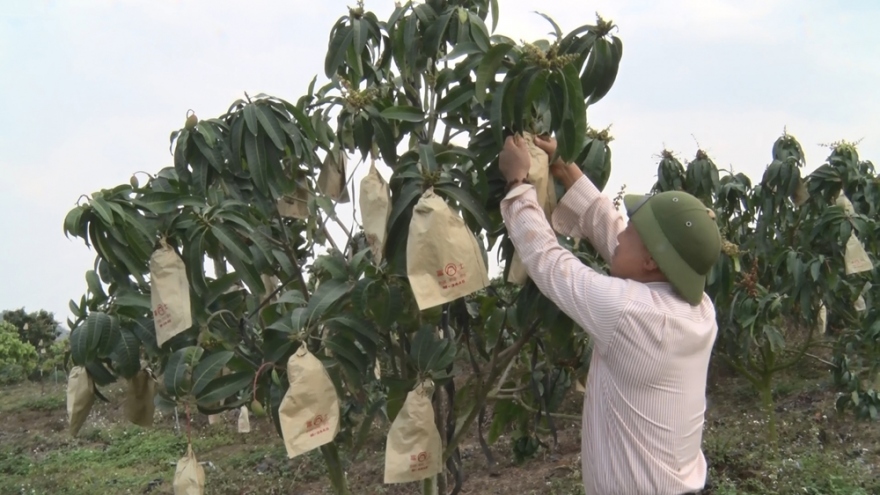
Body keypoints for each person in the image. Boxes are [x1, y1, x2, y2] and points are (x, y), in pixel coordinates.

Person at [497, 134, 722, 495]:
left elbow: (548, 261)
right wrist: (566, 169)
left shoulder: (629, 315)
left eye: (634, 229)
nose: (623, 231)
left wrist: (517, 183)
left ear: (651, 260)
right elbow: (615, 234)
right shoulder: (699, 310)